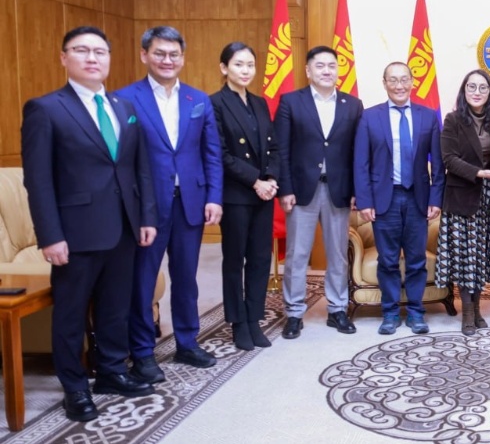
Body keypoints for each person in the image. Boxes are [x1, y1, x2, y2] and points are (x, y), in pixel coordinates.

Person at [22, 26, 157, 422]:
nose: (92, 58)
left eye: (100, 51)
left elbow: (138, 167)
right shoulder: (46, 109)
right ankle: (75, 387)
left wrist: (145, 216)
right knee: (70, 313)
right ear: (64, 58)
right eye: (82, 50)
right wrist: (50, 236)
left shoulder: (123, 106)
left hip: (124, 227)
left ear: (109, 58)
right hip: (76, 232)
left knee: (116, 307)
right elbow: (38, 180)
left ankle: (112, 371)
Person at [116, 25, 224, 382]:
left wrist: (214, 197)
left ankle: (187, 342)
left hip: (190, 202)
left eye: (173, 54)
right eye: (159, 53)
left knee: (186, 277)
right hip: (146, 207)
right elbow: (123, 160)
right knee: (143, 280)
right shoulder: (125, 99)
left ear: (182, 58)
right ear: (144, 55)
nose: (167, 60)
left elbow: (211, 154)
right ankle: (142, 352)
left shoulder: (198, 100)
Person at [274, 46, 364, 339]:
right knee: (297, 254)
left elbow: (358, 153)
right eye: (320, 66)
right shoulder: (291, 101)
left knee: (337, 254)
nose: (327, 71)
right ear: (308, 70)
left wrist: (357, 190)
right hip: (301, 190)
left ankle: (337, 309)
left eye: (332, 66)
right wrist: (285, 188)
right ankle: (294, 313)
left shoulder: (353, 105)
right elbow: (281, 150)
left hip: (339, 189)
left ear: (338, 70)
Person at [354, 62, 444, 335]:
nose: (399, 85)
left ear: (412, 82)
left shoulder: (428, 117)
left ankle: (416, 313)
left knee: (416, 259)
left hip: (418, 198)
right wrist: (365, 201)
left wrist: (436, 198)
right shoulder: (370, 117)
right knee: (388, 260)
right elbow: (361, 162)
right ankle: (390, 313)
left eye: (404, 79)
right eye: (393, 80)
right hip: (385, 198)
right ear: (384, 84)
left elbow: (438, 163)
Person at [210, 42, 280, 350]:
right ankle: (238, 322)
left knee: (261, 258)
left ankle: (254, 318)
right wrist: (255, 181)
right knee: (234, 259)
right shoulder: (215, 103)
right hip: (237, 193)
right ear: (224, 68)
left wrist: (272, 179)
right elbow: (221, 153)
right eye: (239, 64)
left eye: (250, 65)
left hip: (264, 194)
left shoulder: (259, 103)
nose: (246, 70)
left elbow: (274, 146)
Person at [437, 69, 490, 335]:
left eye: (483, 88)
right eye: (471, 87)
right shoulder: (453, 120)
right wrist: (479, 173)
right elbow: (449, 159)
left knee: (482, 256)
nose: (477, 92)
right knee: (466, 256)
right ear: (463, 90)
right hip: (463, 197)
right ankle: (467, 312)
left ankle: (477, 308)